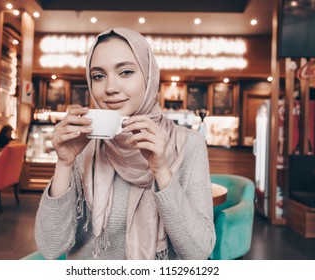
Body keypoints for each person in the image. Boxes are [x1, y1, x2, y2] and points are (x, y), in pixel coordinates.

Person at [35, 27, 216, 260]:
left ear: (149, 77)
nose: (110, 88)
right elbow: (51, 247)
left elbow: (199, 251)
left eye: (126, 72)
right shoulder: (83, 145)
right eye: (98, 76)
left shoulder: (188, 144)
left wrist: (161, 170)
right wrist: (64, 163)